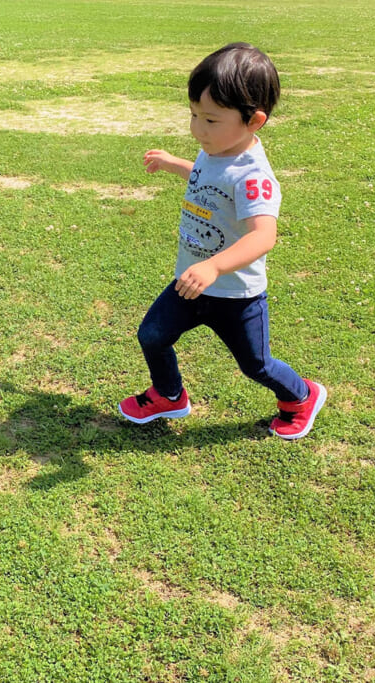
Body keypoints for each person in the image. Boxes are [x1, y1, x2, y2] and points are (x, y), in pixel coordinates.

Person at [118, 42, 326, 440]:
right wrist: (172, 164)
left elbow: (264, 235)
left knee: (256, 365)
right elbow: (204, 176)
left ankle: (301, 396)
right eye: (193, 115)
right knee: (152, 336)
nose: (197, 129)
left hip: (236, 295)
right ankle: (169, 394)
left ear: (254, 121)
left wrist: (214, 266)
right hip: (192, 283)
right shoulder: (215, 151)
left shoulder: (253, 177)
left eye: (210, 120)